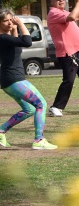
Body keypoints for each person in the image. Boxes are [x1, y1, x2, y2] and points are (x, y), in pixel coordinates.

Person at [0, 8, 57, 150]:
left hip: (9, 81)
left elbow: (18, 43)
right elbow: (27, 41)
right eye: (5, 20)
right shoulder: (2, 38)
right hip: (15, 79)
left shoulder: (7, 39)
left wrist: (14, 28)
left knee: (29, 109)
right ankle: (39, 140)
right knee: (41, 104)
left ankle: (1, 131)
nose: (9, 22)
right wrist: (20, 23)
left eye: (10, 19)